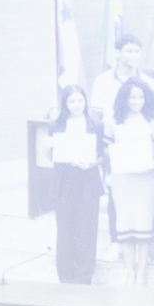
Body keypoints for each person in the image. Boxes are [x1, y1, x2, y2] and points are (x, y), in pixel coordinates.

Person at [107, 78, 154, 291]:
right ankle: (129, 273)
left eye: (141, 96)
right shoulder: (114, 121)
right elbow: (105, 150)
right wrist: (115, 157)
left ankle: (141, 274)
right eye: (132, 97)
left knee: (143, 224)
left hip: (146, 179)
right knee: (125, 225)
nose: (137, 101)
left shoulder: (153, 122)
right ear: (124, 98)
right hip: (122, 179)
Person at [47, 86, 104, 284]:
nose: (77, 105)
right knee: (64, 231)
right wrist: (52, 149)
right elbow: (50, 156)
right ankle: (65, 276)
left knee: (86, 231)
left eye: (80, 100)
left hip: (87, 181)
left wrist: (92, 163)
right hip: (64, 181)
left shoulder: (96, 124)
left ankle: (84, 277)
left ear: (85, 102)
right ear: (65, 104)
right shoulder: (56, 125)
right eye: (72, 101)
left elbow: (103, 155)